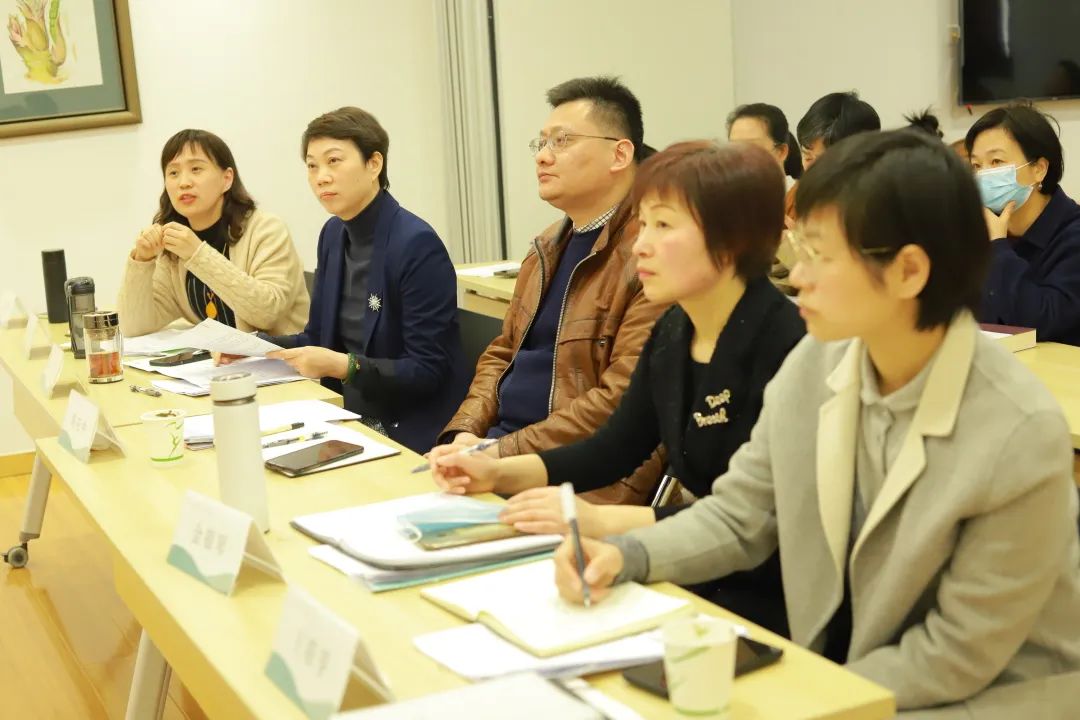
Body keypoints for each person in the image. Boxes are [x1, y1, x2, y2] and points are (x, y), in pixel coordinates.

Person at [552, 130, 1080, 716]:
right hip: (856, 672)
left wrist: (804, 698)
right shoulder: (818, 359)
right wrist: (627, 556)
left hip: (996, 696)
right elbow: (741, 514)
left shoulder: (1017, 430)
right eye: (798, 248)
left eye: (820, 256)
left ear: (908, 271)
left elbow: (956, 653)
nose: (796, 277)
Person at [433, 140, 804, 635]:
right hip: (688, 563)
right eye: (643, 224)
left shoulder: (785, 346)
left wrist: (601, 522)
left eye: (664, 226)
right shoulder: (676, 328)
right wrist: (494, 471)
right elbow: (615, 447)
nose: (640, 245)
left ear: (732, 239)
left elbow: (754, 523)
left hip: (769, 592)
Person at [431, 76, 667, 504]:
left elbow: (619, 402)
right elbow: (503, 352)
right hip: (502, 455)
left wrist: (498, 454)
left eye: (562, 141)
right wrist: (466, 433)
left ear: (620, 153)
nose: (543, 156)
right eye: (541, 143)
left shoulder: (650, 257)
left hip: (577, 478)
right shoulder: (547, 246)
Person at [251, 107, 467, 453]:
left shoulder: (415, 244)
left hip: (403, 423)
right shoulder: (333, 234)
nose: (321, 177)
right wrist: (252, 346)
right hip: (342, 412)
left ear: (374, 164)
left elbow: (427, 370)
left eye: (334, 161)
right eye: (312, 166)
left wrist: (344, 366)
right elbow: (316, 338)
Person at [117, 129, 309, 337]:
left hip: (284, 355)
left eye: (196, 169)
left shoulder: (267, 229)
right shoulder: (173, 245)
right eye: (173, 173)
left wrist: (197, 254)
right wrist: (142, 260)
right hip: (219, 358)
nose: (184, 182)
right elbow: (134, 327)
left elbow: (267, 313)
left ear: (227, 179)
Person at [966, 102, 1080, 345]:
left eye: (996, 162)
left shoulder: (1073, 234)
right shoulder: (983, 229)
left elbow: (1040, 322)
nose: (983, 175)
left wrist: (998, 245)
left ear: (1039, 169)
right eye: (976, 165)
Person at [726, 102, 803, 293]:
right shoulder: (725, 205)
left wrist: (791, 245)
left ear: (782, 151)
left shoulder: (805, 201)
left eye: (751, 149)